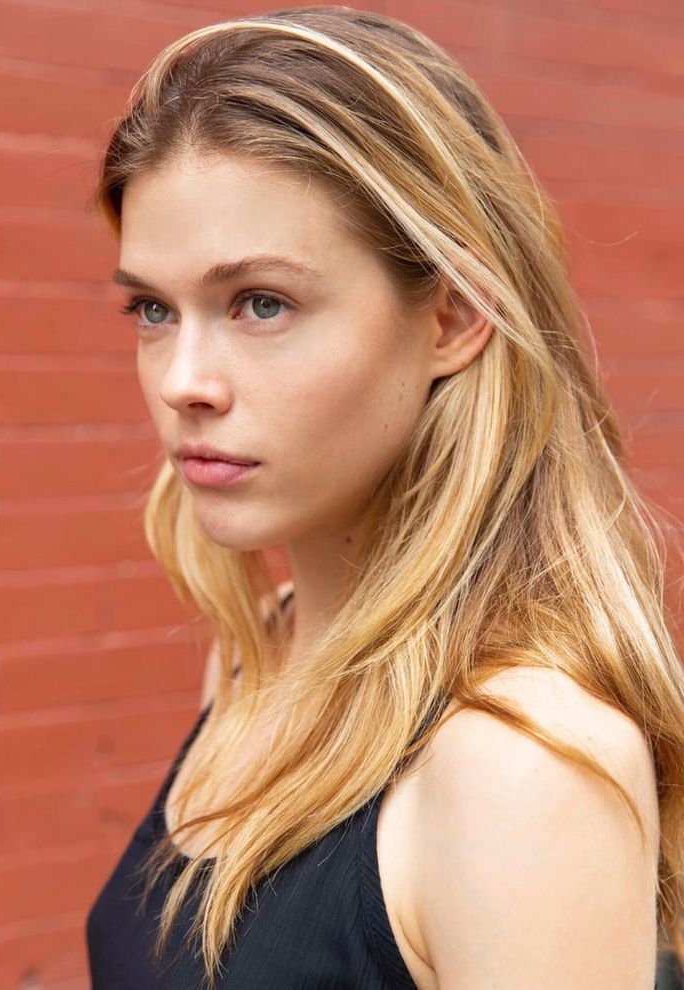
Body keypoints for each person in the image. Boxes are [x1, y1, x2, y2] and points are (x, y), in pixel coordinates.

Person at [84, 6, 684, 988]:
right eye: (154, 309)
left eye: (261, 303)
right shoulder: (262, 653)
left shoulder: (517, 765)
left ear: (451, 316)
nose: (183, 379)